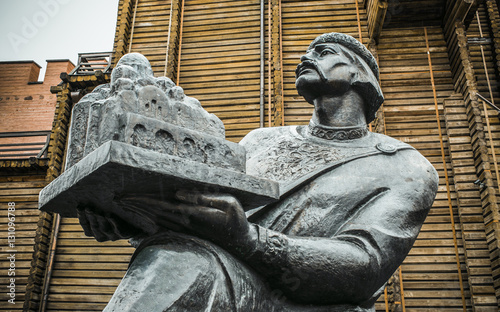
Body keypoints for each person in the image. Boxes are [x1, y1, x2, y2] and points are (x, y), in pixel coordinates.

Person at [78, 33, 438, 311]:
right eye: (307, 52)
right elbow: (204, 211)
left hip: (300, 302)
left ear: (361, 74)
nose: (306, 57)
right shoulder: (261, 140)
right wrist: (131, 220)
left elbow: (365, 266)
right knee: (175, 256)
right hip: (210, 266)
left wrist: (249, 240)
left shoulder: (404, 167)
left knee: (185, 260)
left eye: (324, 52)